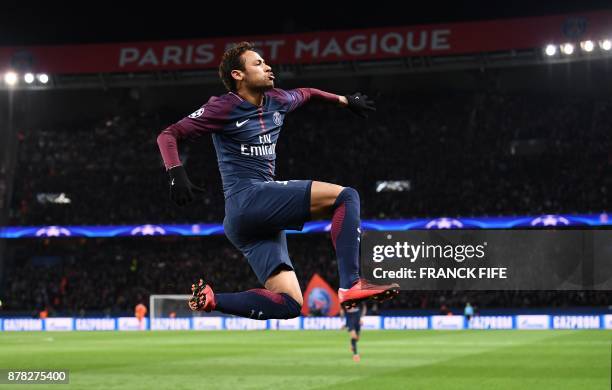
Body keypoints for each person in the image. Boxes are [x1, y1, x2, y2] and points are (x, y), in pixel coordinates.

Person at [156, 42, 399, 321]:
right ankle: (351, 284)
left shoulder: (279, 100)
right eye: (258, 63)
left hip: (249, 221)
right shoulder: (222, 107)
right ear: (238, 75)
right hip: (248, 199)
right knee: (346, 197)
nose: (268, 66)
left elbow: (308, 93)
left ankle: (212, 300)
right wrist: (177, 173)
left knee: (289, 304)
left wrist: (344, 100)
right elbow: (168, 135)